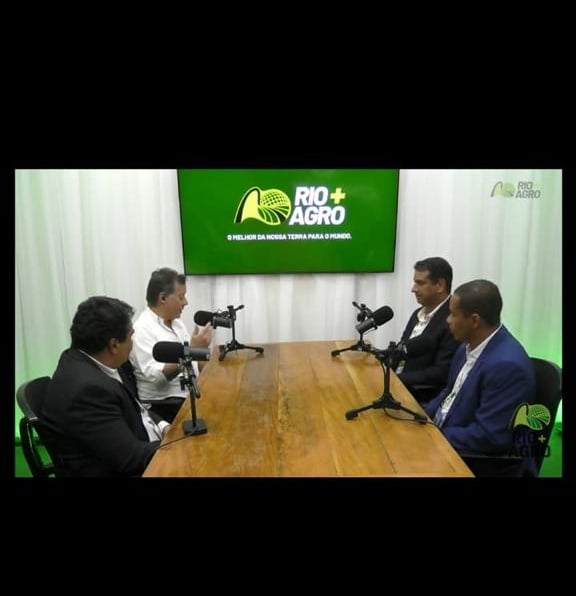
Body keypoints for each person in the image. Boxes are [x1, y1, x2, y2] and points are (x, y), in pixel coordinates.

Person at [42, 296, 170, 477]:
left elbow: (137, 408)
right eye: (131, 336)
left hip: (144, 441)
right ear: (114, 345)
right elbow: (131, 459)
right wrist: (177, 444)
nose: (133, 342)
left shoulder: (96, 359)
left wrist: (164, 426)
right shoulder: (88, 391)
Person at [424, 279, 536, 477]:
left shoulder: (506, 366)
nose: (447, 320)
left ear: (474, 321)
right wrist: (420, 416)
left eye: (453, 314)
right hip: (449, 439)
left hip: (476, 462)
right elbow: (449, 394)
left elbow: (489, 436)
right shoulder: (467, 346)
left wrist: (433, 434)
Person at [129, 267, 213, 423]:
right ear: (163, 298)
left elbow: (194, 366)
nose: (186, 302)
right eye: (181, 297)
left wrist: (201, 350)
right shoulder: (142, 330)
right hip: (164, 406)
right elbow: (157, 379)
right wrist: (191, 351)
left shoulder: (177, 324)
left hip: (189, 395)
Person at [394, 257, 460, 403]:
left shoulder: (453, 321)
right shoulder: (417, 314)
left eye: (420, 283)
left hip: (421, 397)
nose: (413, 289)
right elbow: (403, 350)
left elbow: (441, 372)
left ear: (440, 285)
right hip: (398, 387)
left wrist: (396, 379)